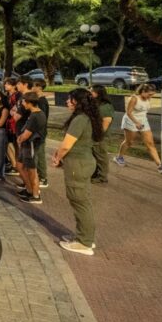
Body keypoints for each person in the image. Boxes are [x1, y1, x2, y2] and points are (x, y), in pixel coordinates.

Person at [53, 89, 103, 256]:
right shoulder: (86, 118)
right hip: (82, 162)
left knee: (80, 201)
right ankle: (83, 235)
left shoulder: (81, 119)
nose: (67, 101)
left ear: (79, 102)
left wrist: (58, 157)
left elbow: (67, 145)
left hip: (78, 164)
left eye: (70, 99)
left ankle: (84, 242)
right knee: (81, 201)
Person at [114, 84, 162, 174]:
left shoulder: (147, 98)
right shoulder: (134, 98)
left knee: (150, 144)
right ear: (142, 92)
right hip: (131, 120)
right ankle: (119, 157)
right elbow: (128, 113)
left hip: (143, 121)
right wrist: (136, 123)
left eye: (152, 94)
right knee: (129, 142)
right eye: (149, 94)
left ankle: (160, 166)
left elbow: (143, 110)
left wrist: (140, 122)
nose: (151, 96)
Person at [16, 92, 45, 204]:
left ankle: (35, 195)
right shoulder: (33, 113)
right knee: (20, 166)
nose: (22, 103)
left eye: (24, 101)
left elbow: (27, 134)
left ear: (29, 103)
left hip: (30, 145)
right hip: (26, 145)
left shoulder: (36, 116)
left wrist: (20, 139)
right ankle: (29, 189)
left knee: (32, 171)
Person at [90, 85, 114, 184]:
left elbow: (106, 122)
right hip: (95, 135)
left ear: (97, 93)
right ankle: (95, 174)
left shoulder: (105, 107)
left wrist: (98, 135)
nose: (89, 93)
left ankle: (102, 177)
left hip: (100, 136)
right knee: (94, 155)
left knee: (101, 157)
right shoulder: (97, 104)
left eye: (91, 92)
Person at [31, 80, 50, 188]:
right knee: (37, 154)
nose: (32, 87)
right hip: (37, 132)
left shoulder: (42, 101)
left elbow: (41, 118)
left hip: (39, 133)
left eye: (34, 86)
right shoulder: (38, 100)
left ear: (39, 87)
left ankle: (43, 177)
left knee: (39, 154)